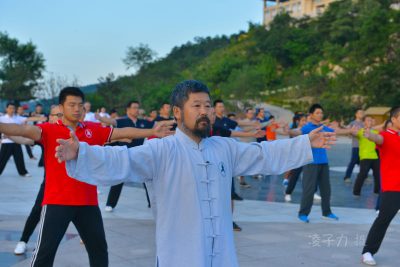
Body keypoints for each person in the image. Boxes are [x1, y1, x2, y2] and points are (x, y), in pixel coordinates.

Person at [56, 80, 335, 267]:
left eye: (208, 106)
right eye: (197, 106)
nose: (205, 112)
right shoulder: (162, 151)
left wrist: (304, 143)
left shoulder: (224, 148)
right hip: (180, 256)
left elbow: (264, 155)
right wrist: (81, 153)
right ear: (177, 112)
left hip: (222, 255)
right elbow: (123, 159)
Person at [0, 87, 173, 267]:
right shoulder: (49, 130)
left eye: (80, 105)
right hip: (57, 202)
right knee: (44, 255)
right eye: (71, 105)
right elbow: (21, 129)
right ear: (61, 107)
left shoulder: (92, 130)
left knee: (99, 251)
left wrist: (152, 132)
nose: (76, 109)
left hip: (87, 203)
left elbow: (122, 132)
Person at [13, 105, 63, 255]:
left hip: (73, 184)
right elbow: (24, 139)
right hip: (50, 182)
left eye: (61, 115)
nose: (58, 118)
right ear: (49, 118)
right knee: (37, 211)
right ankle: (23, 240)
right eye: (55, 115)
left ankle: (86, 236)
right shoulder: (46, 133)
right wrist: (6, 133)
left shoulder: (72, 133)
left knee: (77, 213)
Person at [296, 103, 353, 223]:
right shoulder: (306, 128)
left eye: (321, 112)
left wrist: (350, 130)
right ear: (311, 115)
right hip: (310, 162)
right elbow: (296, 133)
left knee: (326, 189)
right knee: (309, 189)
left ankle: (327, 212)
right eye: (317, 113)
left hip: (323, 162)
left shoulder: (323, 127)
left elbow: (335, 131)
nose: (320, 114)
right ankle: (303, 213)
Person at [97, 100, 158, 211]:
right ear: (128, 109)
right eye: (134, 107)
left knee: (147, 180)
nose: (136, 110)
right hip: (125, 155)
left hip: (140, 156)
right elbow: (110, 121)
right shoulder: (122, 121)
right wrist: (99, 117)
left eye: (137, 107)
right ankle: (110, 204)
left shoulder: (143, 122)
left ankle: (152, 203)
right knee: (119, 180)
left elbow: (156, 125)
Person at [360, 107, 400, 266]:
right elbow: (377, 139)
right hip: (393, 187)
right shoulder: (386, 136)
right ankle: (367, 252)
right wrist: (369, 135)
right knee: (383, 219)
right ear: (394, 119)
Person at [0, 102, 45, 177]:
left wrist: (43, 118)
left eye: (13, 108)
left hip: (17, 141)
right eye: (10, 108)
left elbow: (28, 118)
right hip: (6, 142)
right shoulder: (2, 118)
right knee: (2, 160)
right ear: (6, 109)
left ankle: (23, 172)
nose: (12, 110)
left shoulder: (18, 118)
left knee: (19, 158)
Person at [352, 115, 380, 197]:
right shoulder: (361, 131)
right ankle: (356, 192)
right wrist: (352, 131)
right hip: (365, 157)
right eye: (368, 120)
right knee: (362, 174)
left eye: (371, 120)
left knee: (378, 175)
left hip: (375, 156)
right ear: (364, 122)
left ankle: (377, 191)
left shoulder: (375, 132)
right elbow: (354, 134)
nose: (370, 122)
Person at [343, 109, 364, 183]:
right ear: (356, 114)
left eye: (362, 113)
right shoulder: (353, 123)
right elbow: (348, 133)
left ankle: (365, 176)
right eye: (360, 113)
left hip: (363, 147)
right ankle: (347, 177)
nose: (362, 114)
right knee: (353, 161)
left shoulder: (364, 124)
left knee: (362, 162)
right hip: (356, 146)